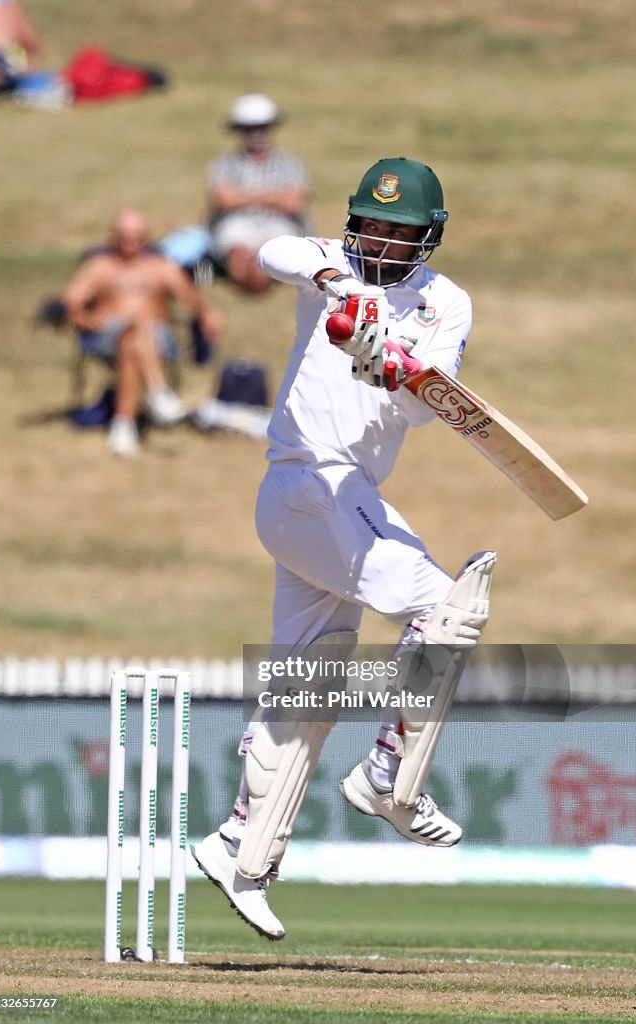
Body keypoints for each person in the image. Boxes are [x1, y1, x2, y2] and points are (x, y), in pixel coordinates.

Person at [191, 157, 496, 938]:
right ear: (355, 223)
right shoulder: (326, 261)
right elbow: (272, 253)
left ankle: (238, 850)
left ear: (427, 236)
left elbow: (432, 406)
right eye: (374, 226)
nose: (384, 243)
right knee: (442, 606)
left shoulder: (444, 302)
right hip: (306, 481)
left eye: (401, 232)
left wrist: (391, 364)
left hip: (343, 497)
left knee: (308, 680)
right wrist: (337, 281)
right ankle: (390, 774)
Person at [63, 207, 223, 457]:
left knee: (133, 338)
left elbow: (196, 301)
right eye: (125, 235)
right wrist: (88, 320)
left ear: (146, 236)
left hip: (159, 338)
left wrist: (209, 316)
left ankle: (123, 428)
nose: (130, 242)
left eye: (136, 236)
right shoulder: (100, 267)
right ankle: (158, 394)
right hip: (107, 336)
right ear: (114, 236)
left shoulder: (161, 267)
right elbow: (69, 306)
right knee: (132, 331)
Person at [206, 93, 310, 294]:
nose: (256, 134)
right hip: (237, 226)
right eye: (250, 128)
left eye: (261, 127)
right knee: (237, 256)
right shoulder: (224, 163)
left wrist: (243, 195)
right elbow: (223, 200)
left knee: (266, 260)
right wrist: (274, 196)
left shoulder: (290, 164)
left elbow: (294, 203)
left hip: (278, 225)